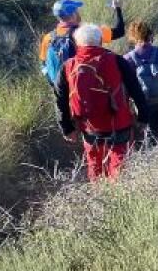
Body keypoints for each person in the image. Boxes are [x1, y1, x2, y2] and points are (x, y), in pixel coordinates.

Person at [55, 24, 149, 183]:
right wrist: (143, 117)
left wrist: (67, 128)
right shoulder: (117, 61)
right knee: (120, 168)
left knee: (95, 166)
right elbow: (136, 91)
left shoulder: (67, 67)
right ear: (100, 41)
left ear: (77, 43)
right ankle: (119, 199)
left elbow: (60, 100)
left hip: (89, 128)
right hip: (119, 124)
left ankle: (100, 199)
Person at [40, 0, 125, 89]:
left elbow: (44, 66)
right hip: (85, 87)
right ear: (73, 15)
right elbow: (119, 31)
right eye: (76, 10)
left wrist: (56, 87)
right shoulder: (86, 32)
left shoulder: (48, 38)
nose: (78, 13)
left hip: (62, 88)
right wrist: (118, 9)